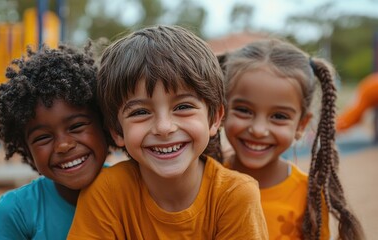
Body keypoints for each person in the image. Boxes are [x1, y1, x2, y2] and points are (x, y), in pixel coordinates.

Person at [68, 25, 268, 239]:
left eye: (183, 107)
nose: (164, 127)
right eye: (141, 112)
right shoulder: (106, 192)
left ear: (214, 118)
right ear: (117, 131)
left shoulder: (234, 195)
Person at [220, 38, 365, 240]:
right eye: (244, 110)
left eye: (279, 116)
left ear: (301, 125)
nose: (259, 130)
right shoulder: (206, 181)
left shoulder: (309, 196)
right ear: (221, 110)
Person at [0, 41, 109, 240]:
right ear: (26, 148)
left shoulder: (134, 189)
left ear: (104, 123)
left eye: (76, 126)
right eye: (42, 137)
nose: (63, 145)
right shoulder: (17, 211)